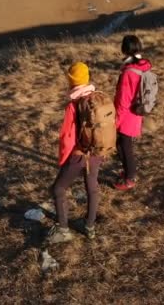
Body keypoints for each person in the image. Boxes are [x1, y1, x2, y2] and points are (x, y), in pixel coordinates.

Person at [48, 62, 108, 244]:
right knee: (92, 187)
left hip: (78, 155)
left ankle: (64, 230)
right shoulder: (98, 98)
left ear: (71, 81)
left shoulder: (73, 105)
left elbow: (67, 137)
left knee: (58, 188)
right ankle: (89, 226)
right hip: (97, 152)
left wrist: (63, 160)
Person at [113, 35, 152, 191]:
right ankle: (129, 171)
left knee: (125, 145)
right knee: (122, 144)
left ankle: (130, 177)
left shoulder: (129, 72)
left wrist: (116, 120)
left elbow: (123, 100)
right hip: (138, 110)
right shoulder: (144, 65)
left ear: (124, 49)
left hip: (127, 114)